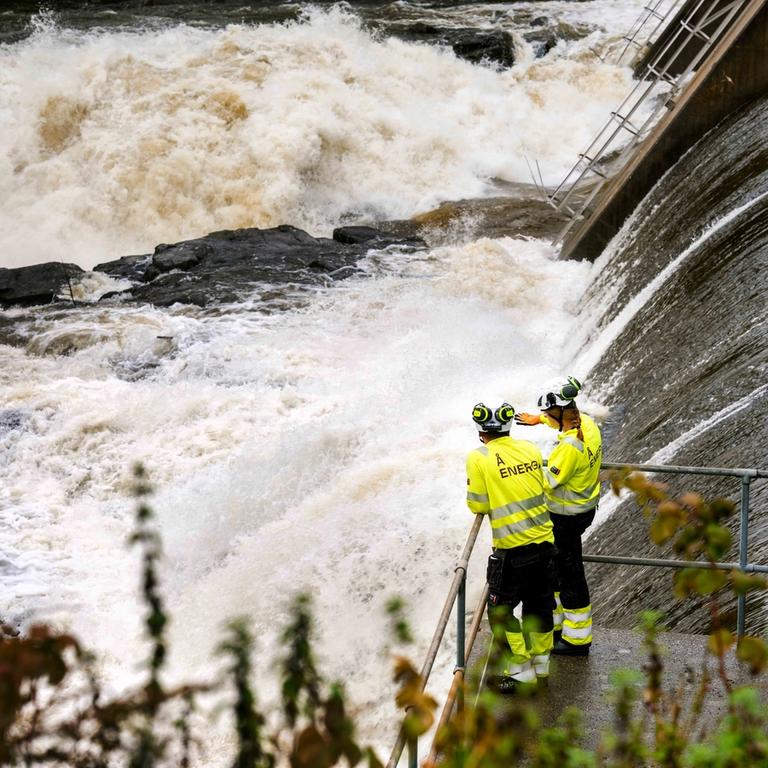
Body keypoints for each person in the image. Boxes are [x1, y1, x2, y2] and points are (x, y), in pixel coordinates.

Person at [466, 401, 555, 693]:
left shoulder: (478, 457)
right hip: (545, 543)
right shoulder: (530, 449)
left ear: (481, 432)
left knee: (500, 612)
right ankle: (541, 665)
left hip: (513, 549)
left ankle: (520, 671)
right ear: (508, 427)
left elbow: (477, 504)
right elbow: (540, 485)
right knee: (539, 605)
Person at [515, 377, 602, 656]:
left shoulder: (567, 449)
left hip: (566, 517)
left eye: (550, 416)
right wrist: (539, 419)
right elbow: (561, 419)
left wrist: (516, 472)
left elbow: (545, 482)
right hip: (585, 509)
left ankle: (577, 639)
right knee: (554, 568)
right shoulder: (587, 424)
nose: (547, 419)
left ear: (563, 415)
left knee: (569, 575)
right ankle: (553, 624)